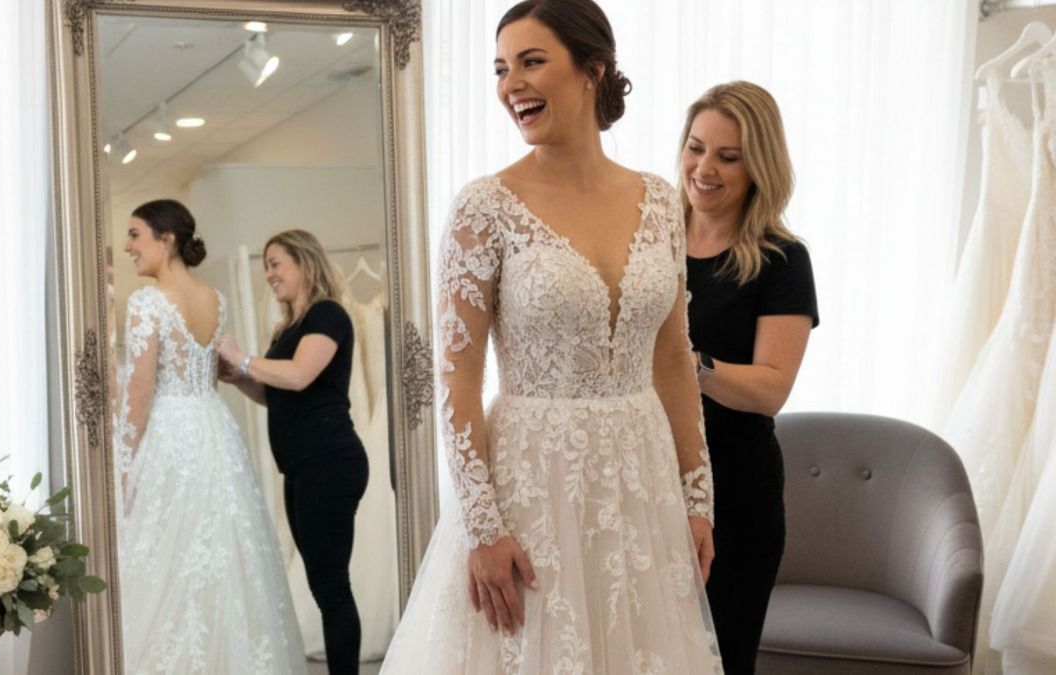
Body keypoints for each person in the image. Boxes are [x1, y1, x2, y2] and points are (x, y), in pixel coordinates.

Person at [380, 1, 722, 672]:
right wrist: (482, 525)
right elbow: (457, 376)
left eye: (531, 62)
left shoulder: (660, 201)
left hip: (641, 480)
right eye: (500, 69)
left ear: (592, 70)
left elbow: (673, 359)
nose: (511, 85)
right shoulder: (485, 207)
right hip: (533, 484)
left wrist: (696, 496)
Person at [112, 199, 305, 674]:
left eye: (135, 235)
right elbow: (212, 374)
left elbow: (138, 392)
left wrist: (123, 465)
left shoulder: (147, 302)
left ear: (166, 239)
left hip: (169, 435)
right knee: (222, 551)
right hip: (214, 430)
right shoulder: (215, 299)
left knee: (169, 556)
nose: (128, 246)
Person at [679, 81, 819, 674]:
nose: (704, 169)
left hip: (737, 495)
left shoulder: (782, 259)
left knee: (720, 663)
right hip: (644, 481)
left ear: (759, 166)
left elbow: (770, 389)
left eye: (728, 157)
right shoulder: (649, 240)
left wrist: (689, 365)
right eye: (695, 148)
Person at [215, 229, 369, 675]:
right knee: (323, 586)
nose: (269, 274)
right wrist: (240, 379)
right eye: (266, 265)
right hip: (301, 466)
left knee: (332, 587)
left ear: (304, 263)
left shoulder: (328, 314)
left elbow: (300, 375)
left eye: (276, 263)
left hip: (330, 461)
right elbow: (277, 394)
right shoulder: (290, 327)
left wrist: (244, 358)